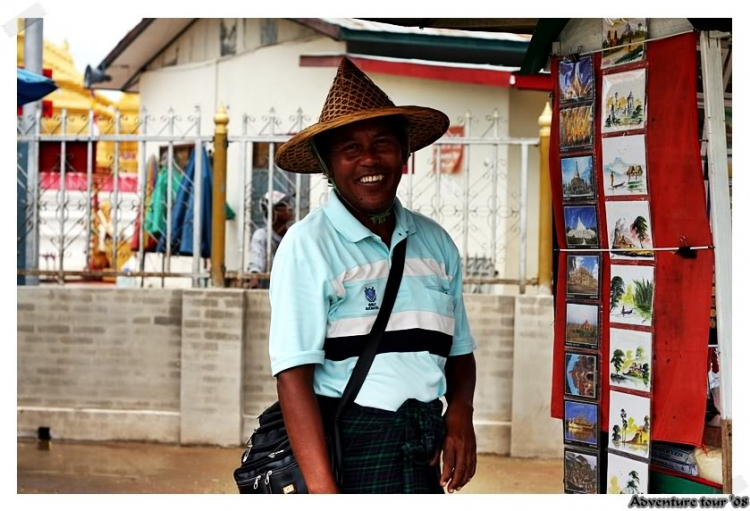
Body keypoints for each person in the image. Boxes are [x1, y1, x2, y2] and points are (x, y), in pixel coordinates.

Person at [268, 57, 477, 494]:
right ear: (328, 165)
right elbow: (293, 377)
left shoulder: (437, 243)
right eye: (350, 149)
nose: (369, 159)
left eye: (382, 143)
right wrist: (325, 493)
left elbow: (459, 351)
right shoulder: (308, 246)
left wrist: (460, 413)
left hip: (422, 450)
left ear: (404, 154)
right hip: (345, 453)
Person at [247, 191, 293, 289]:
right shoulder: (262, 235)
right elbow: (256, 261)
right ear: (271, 212)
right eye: (283, 206)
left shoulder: (294, 235)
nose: (289, 208)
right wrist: (254, 277)